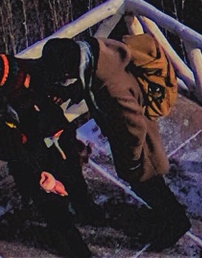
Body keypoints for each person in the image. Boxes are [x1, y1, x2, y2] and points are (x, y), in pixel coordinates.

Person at [37, 36, 191, 251]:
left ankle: (176, 223)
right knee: (148, 184)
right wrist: (70, 92)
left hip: (140, 146)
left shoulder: (112, 89)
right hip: (129, 136)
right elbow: (89, 81)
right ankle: (165, 215)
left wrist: (132, 159)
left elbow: (135, 127)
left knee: (147, 182)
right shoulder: (97, 53)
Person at [0, 51, 95, 258]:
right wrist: (40, 168)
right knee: (55, 211)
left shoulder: (26, 74)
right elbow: (6, 151)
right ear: (8, 85)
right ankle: (75, 250)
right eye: (21, 77)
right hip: (36, 165)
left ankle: (87, 211)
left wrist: (63, 130)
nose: (27, 77)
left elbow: (51, 100)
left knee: (76, 183)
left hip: (62, 149)